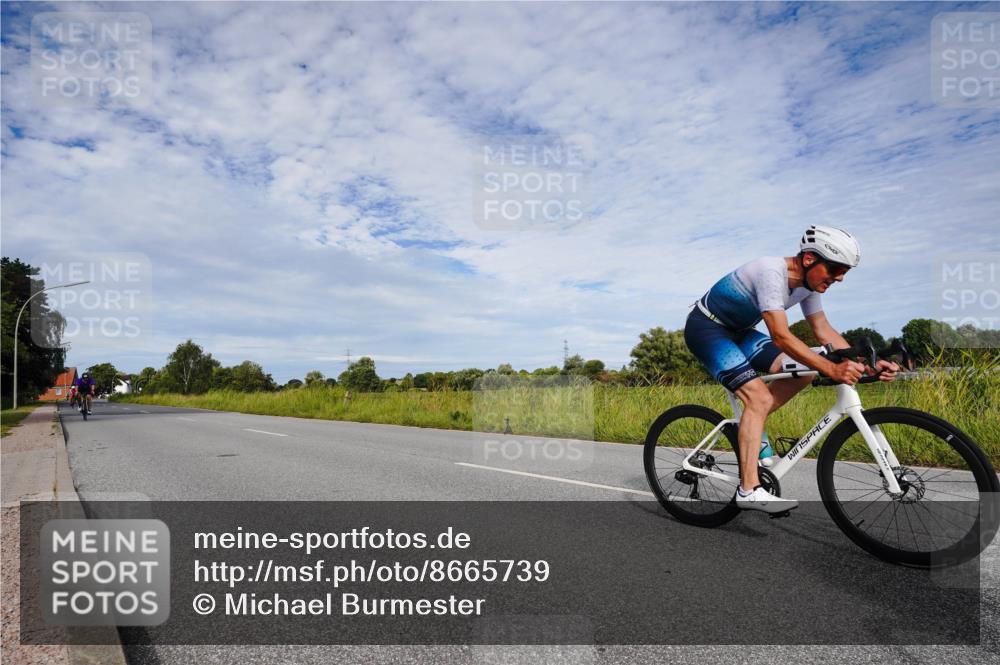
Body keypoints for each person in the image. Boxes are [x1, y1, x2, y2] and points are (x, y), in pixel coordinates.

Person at [684, 226, 899, 513]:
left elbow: (823, 330)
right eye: (835, 269)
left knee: (805, 370)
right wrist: (831, 368)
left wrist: (863, 364)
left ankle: (750, 424)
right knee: (759, 397)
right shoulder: (770, 272)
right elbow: (781, 336)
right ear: (809, 259)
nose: (840, 278)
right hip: (707, 329)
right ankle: (748, 490)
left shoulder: (808, 286)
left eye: (844, 271)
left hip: (741, 332)